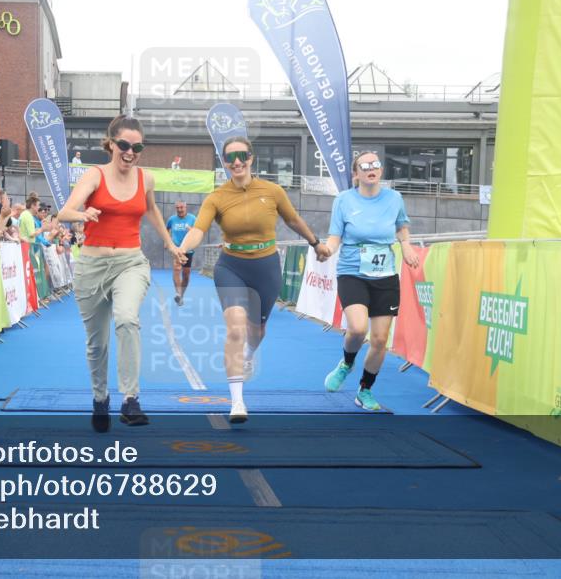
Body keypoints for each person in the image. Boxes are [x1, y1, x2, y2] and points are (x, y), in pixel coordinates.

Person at [176, 136, 331, 423]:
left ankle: (248, 353)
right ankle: (237, 402)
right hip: (231, 266)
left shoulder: (272, 191)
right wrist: (184, 248)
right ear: (224, 163)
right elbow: (199, 228)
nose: (236, 162)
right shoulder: (217, 197)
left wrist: (316, 243)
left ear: (251, 158)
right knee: (235, 328)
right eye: (230, 157)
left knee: (257, 331)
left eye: (241, 155)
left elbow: (293, 220)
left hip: (266, 266)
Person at [58, 115, 183, 431]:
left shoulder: (146, 179)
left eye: (137, 146)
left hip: (131, 262)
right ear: (111, 144)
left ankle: (130, 399)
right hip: (92, 266)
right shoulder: (95, 175)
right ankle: (100, 399)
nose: (130, 152)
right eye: (124, 145)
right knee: (96, 344)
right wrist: (83, 212)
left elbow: (152, 210)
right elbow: (64, 211)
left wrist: (170, 245)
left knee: (127, 318)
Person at [323, 151, 419, 411]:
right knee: (357, 328)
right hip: (352, 272)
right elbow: (335, 237)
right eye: (364, 166)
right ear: (356, 174)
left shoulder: (394, 198)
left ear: (380, 170)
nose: (370, 168)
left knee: (379, 340)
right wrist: (327, 251)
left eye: (375, 164)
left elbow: (401, 226)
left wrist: (407, 246)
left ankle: (364, 390)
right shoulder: (343, 200)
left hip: (385, 275)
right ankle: (346, 363)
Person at [166, 201, 197, 306]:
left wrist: (191, 230)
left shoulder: (192, 218)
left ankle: (181, 295)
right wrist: (167, 241)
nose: (179, 209)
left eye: (181, 207)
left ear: (185, 207)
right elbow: (167, 229)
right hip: (176, 249)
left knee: (186, 274)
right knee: (177, 268)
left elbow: (198, 232)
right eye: (177, 208)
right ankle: (178, 294)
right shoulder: (172, 219)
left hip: (188, 250)